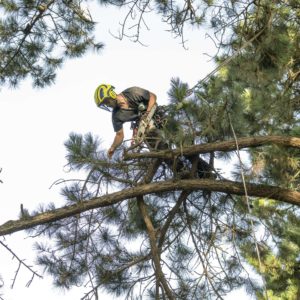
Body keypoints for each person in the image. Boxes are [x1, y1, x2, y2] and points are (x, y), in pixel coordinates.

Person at [94, 84, 157, 158]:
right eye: (105, 104)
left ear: (111, 94)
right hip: (142, 126)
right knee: (139, 144)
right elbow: (119, 135)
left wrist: (147, 113)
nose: (107, 105)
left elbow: (152, 96)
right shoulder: (116, 116)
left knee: (150, 128)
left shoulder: (133, 92)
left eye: (107, 102)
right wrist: (113, 148)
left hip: (155, 114)